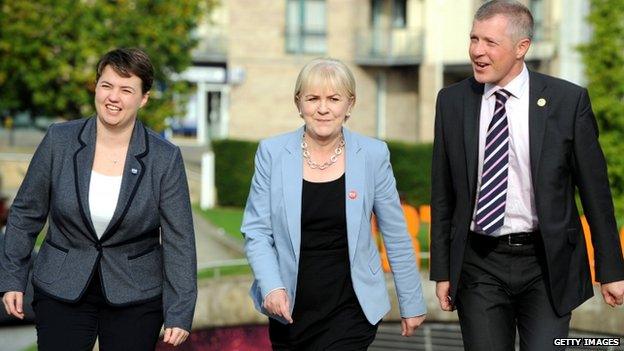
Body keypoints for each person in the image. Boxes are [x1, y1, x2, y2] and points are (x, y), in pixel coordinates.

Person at [430, 1, 624, 350]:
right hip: (479, 265)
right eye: (474, 39)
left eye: (490, 42)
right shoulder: (452, 102)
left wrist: (611, 270)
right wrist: (442, 271)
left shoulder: (568, 101)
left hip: (546, 265)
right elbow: (443, 193)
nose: (477, 51)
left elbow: (595, 194)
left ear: (522, 48)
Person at [0, 48, 197, 350]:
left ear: (143, 98)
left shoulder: (165, 158)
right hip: (60, 285)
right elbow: (25, 213)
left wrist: (180, 310)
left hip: (136, 293)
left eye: (126, 89)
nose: (113, 97)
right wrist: (13, 278)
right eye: (106, 85)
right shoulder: (59, 141)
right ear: (96, 86)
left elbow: (179, 240)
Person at [242, 58, 426, 350]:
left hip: (351, 308)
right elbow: (256, 232)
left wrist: (412, 301)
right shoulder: (272, 153)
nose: (323, 108)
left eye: (334, 99)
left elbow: (395, 233)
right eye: (313, 98)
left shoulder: (373, 155)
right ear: (298, 103)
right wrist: (272, 287)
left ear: (349, 104)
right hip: (289, 308)